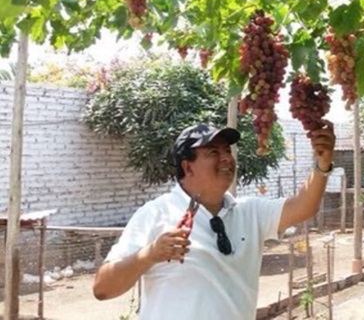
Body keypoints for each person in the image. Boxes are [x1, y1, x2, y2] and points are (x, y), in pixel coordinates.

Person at [93, 121, 335, 319]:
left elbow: (303, 206)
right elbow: (103, 288)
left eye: (227, 151)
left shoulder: (249, 211)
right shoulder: (156, 214)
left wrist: (322, 164)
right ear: (188, 167)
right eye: (213, 152)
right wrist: (150, 254)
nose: (227, 158)